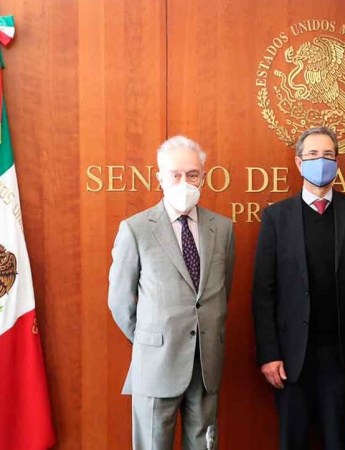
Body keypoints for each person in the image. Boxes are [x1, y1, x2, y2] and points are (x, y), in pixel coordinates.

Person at [252, 126, 345, 450]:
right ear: (299, 163)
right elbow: (263, 292)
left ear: (337, 163)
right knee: (293, 441)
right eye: (312, 154)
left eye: (328, 155)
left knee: (338, 440)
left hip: (342, 355)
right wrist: (269, 354)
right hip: (290, 358)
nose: (320, 161)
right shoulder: (276, 217)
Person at [108, 135, 235, 450]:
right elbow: (119, 301)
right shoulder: (135, 229)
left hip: (205, 364)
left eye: (192, 174)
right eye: (175, 174)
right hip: (156, 363)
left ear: (203, 177)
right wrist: (150, 338)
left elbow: (223, 290)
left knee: (204, 445)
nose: (184, 182)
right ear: (160, 178)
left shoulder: (222, 229)